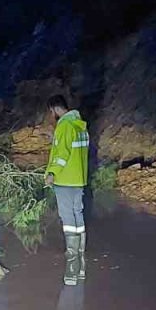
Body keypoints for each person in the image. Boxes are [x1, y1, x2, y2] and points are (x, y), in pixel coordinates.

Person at [45, 95, 89, 284]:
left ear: (54, 109)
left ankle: (71, 262)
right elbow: (71, 149)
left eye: (50, 112)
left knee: (67, 216)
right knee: (77, 213)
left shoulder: (64, 126)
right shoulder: (79, 126)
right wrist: (54, 139)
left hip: (64, 179)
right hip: (78, 178)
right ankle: (80, 256)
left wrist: (52, 173)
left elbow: (62, 154)